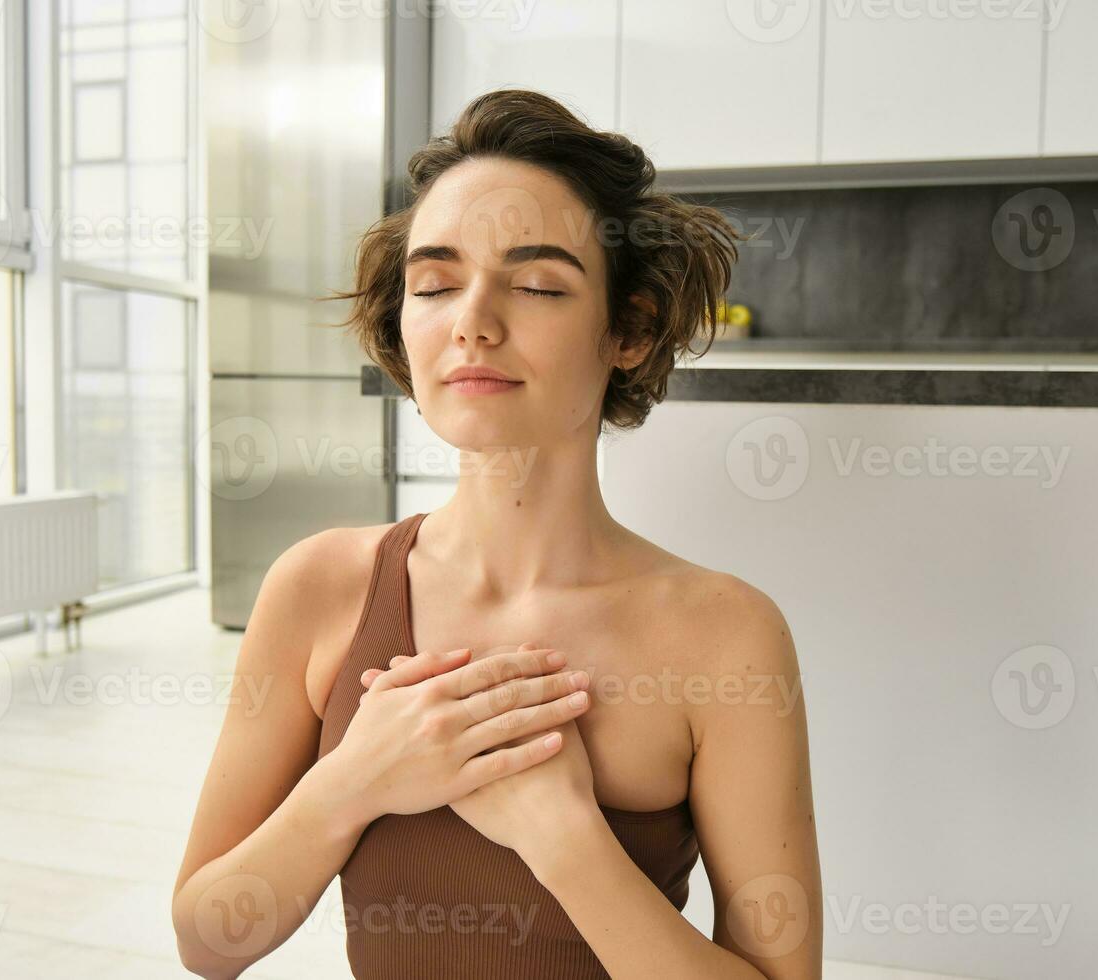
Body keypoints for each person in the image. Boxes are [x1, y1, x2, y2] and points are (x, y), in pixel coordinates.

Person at [172, 88, 821, 980]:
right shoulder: (319, 587)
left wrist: (563, 838)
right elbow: (208, 940)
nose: (471, 321)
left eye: (537, 284)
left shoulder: (726, 634)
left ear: (626, 329)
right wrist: (358, 776)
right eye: (435, 284)